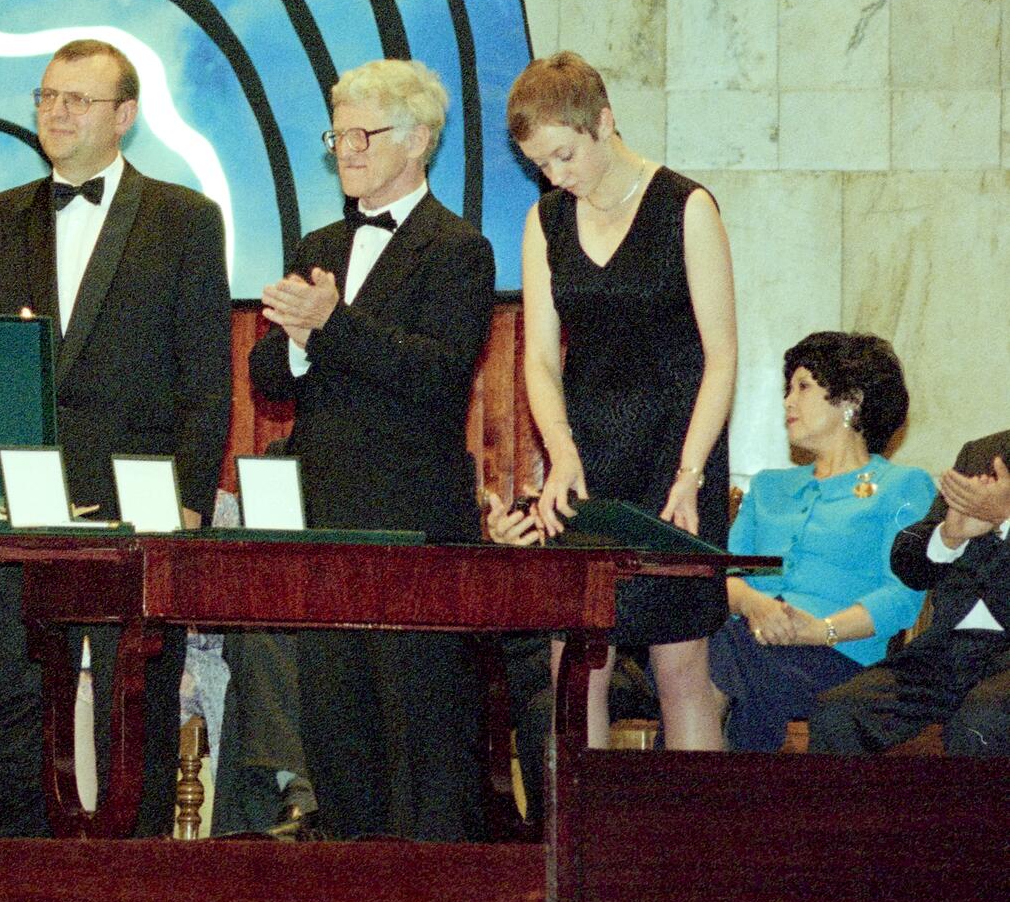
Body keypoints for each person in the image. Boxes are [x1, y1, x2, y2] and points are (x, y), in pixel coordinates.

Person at [0, 39, 231, 838]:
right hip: (21, 500)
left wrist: (189, 503)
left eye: (78, 98)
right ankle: (16, 873)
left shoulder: (185, 218)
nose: (57, 112)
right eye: (47, 96)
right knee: (14, 693)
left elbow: (207, 378)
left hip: (138, 505)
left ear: (125, 115)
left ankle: (137, 880)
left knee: (132, 697)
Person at [248, 58, 494, 840]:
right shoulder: (320, 242)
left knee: (419, 730)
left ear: (417, 139)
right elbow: (267, 376)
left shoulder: (458, 248)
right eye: (337, 136)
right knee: (336, 723)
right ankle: (347, 887)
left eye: (362, 134)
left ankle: (434, 893)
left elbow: (437, 375)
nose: (345, 150)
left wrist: (330, 325)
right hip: (326, 519)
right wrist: (296, 340)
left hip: (413, 527)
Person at [510, 52, 735, 751]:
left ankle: (693, 824)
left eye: (565, 155)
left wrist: (692, 472)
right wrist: (561, 452)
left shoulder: (686, 207)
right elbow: (540, 358)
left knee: (680, 667)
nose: (556, 175)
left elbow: (721, 355)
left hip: (677, 455)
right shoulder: (546, 220)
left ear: (604, 122)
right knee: (576, 666)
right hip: (586, 457)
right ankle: (585, 823)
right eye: (540, 163)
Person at [707, 333, 933, 752]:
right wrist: (755, 605)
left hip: (840, 658)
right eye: (788, 390)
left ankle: (686, 789)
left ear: (851, 400)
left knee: (714, 659)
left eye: (803, 387)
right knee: (705, 647)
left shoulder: (902, 485)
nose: (788, 402)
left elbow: (903, 597)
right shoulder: (768, 487)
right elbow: (724, 575)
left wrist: (819, 630)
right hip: (748, 641)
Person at [810, 428, 1010, 756]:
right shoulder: (982, 452)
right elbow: (909, 565)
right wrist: (948, 537)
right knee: (839, 711)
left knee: (982, 722)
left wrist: (1005, 519)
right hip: (948, 650)